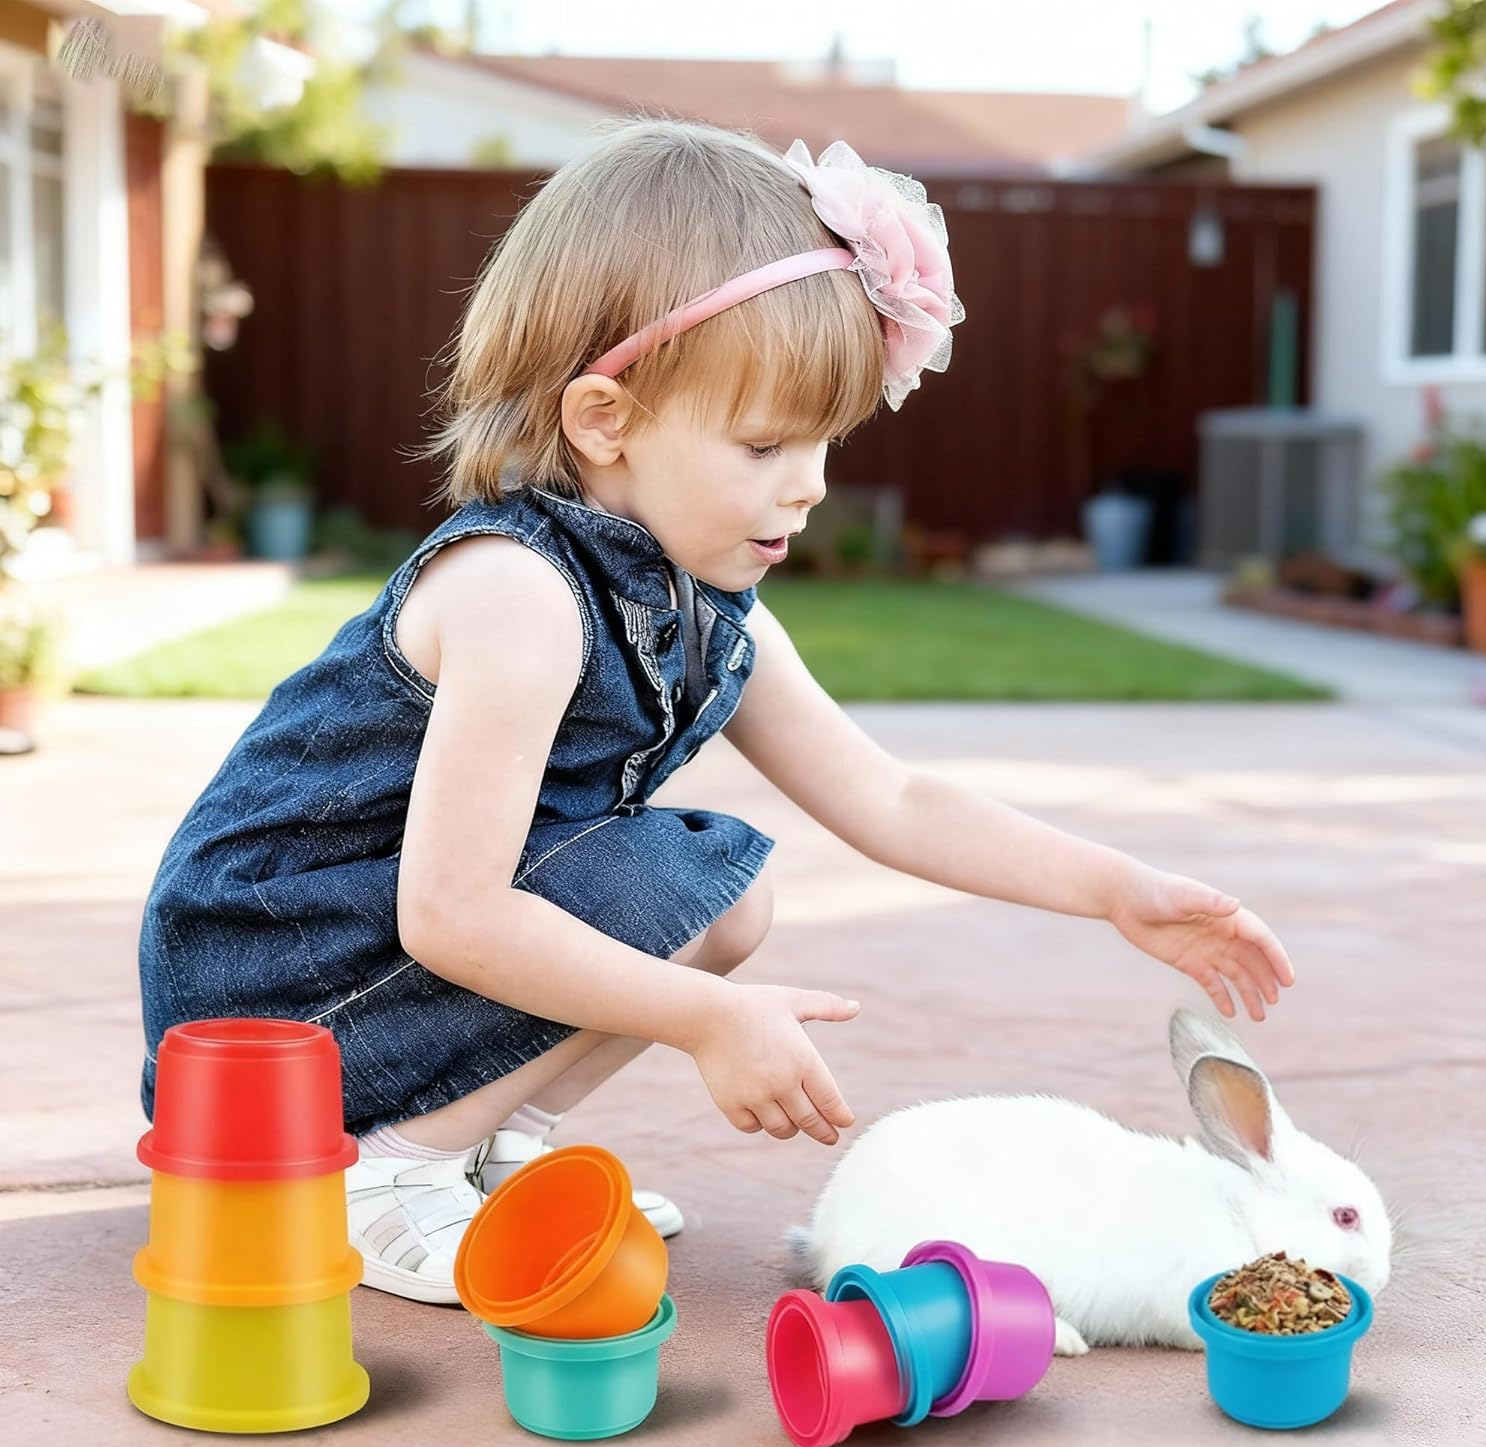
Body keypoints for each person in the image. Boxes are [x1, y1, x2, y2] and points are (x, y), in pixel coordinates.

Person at [137, 120, 1295, 1305]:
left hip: (367, 974)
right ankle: (385, 1174)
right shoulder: (517, 595)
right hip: (268, 1008)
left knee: (723, 887)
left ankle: (485, 1148)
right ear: (605, 421)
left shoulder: (708, 609)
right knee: (674, 889)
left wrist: (1115, 891)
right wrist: (705, 1020)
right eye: (764, 443)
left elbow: (891, 797)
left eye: (826, 443)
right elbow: (451, 914)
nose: (811, 483)